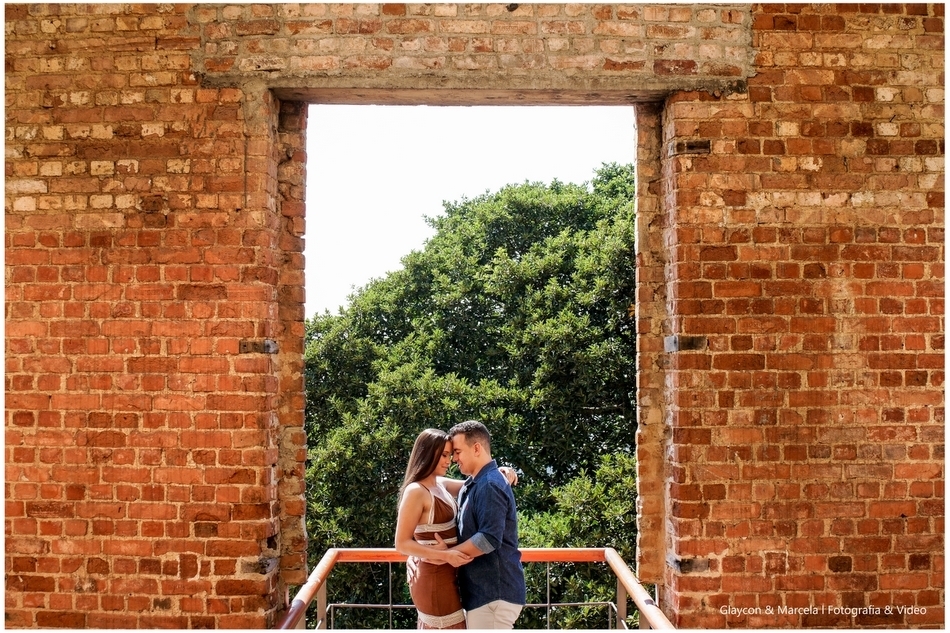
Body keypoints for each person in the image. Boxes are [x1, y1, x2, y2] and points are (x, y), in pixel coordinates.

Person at [395, 429, 518, 629]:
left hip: (449, 575)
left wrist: (500, 471)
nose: (450, 460)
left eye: (451, 454)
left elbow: (479, 485)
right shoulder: (416, 491)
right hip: (433, 578)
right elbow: (401, 543)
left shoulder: (440, 484)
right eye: (444, 455)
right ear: (427, 454)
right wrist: (442, 556)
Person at [447, 420, 526, 629]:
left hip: (493, 596)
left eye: (457, 452)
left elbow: (488, 539)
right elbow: (433, 484)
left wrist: (447, 555)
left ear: (476, 448)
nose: (454, 459)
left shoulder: (489, 484)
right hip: (485, 595)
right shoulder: (477, 482)